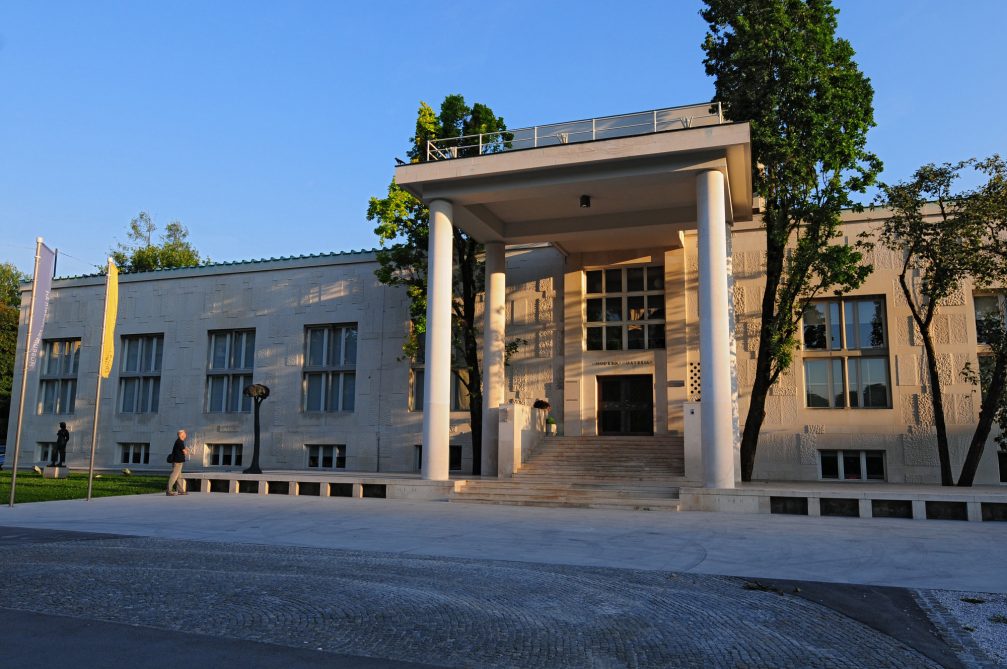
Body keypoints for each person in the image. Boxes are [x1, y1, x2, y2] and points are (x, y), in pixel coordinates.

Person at [166, 429, 189, 496]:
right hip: (177, 462)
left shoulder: (179, 441)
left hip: (178, 461)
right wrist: (187, 450)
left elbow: (182, 451)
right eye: (184, 434)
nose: (185, 435)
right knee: (174, 476)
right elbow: (184, 452)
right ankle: (169, 491)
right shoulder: (179, 441)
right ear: (181, 434)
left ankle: (180, 491)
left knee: (178, 477)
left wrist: (185, 450)